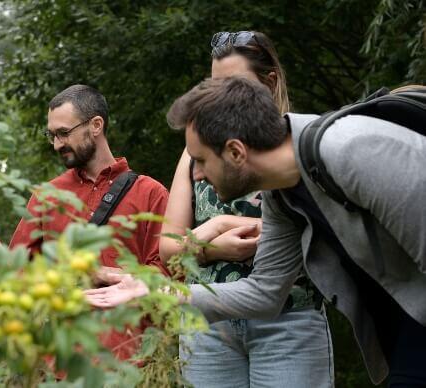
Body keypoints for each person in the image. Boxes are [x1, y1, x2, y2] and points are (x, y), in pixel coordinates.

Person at [86, 77, 426, 386]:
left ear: (235, 151)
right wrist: (155, 291)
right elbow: (265, 294)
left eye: (201, 160)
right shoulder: (283, 194)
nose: (198, 175)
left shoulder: (351, 151)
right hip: (406, 325)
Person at [158, 31, 332, 388]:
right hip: (208, 325)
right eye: (213, 85)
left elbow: (324, 234)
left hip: (289, 318)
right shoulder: (195, 155)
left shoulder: (302, 147)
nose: (218, 98)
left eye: (233, 85)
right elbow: (168, 248)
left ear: (270, 82)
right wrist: (212, 245)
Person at [9, 84, 169, 359]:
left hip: (130, 359)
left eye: (64, 133)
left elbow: (170, 273)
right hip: (62, 360)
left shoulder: (150, 193)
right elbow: (18, 272)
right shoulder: (47, 196)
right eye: (52, 135)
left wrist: (106, 275)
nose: (58, 144)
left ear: (96, 125)